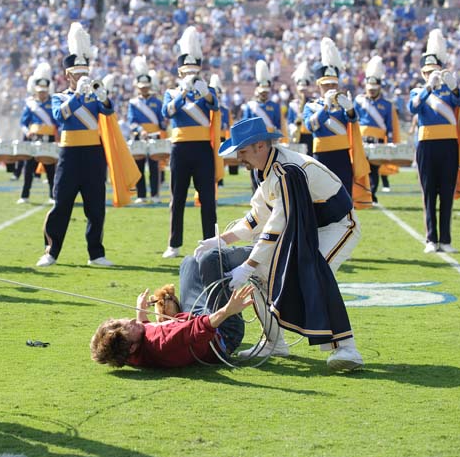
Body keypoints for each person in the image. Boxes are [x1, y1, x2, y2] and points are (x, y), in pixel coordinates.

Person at [197, 116, 364, 370]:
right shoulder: (265, 169)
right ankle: (274, 341)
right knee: (262, 276)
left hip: (337, 226)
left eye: (242, 150)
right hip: (306, 228)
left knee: (317, 272)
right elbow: (256, 217)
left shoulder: (286, 171)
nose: (238, 157)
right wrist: (220, 240)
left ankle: (347, 348)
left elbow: (278, 223)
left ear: (260, 146)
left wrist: (248, 264)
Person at [37, 23, 115, 268]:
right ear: (68, 76)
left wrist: (103, 96)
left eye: (85, 74)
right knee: (62, 203)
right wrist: (78, 96)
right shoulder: (59, 96)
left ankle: (96, 253)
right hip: (69, 154)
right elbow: (60, 117)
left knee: (96, 205)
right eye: (77, 75)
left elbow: (109, 110)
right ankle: (51, 251)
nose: (83, 78)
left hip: (93, 153)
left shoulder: (94, 93)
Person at [90, 270, 254, 369]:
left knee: (189, 264)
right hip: (223, 333)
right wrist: (228, 310)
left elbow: (146, 332)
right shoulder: (164, 342)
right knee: (210, 260)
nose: (132, 321)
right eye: (128, 328)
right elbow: (197, 328)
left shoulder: (129, 355)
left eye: (125, 321)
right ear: (132, 348)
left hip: (194, 318)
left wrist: (141, 312)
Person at [160, 26, 221, 258]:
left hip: (203, 149)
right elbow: (167, 112)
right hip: (180, 149)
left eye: (194, 71)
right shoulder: (171, 92)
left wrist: (205, 93)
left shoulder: (208, 90)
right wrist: (182, 93)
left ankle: (211, 242)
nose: (190, 75)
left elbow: (215, 106)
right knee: (178, 197)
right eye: (187, 72)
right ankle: (174, 244)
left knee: (207, 198)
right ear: (179, 72)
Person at [408, 29, 460, 253]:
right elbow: (412, 108)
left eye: (434, 71)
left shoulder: (449, 91)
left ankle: (446, 239)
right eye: (427, 71)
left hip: (448, 146)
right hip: (426, 146)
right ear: (423, 73)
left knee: (446, 192)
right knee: (429, 193)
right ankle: (431, 239)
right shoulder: (419, 90)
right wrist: (428, 87)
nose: (430, 74)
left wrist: (453, 86)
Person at [303, 38, 371, 207]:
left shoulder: (342, 103)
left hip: (341, 154)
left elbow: (353, 120)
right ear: (319, 86)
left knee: (344, 196)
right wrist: (325, 106)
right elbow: (311, 126)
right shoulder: (311, 106)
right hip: (321, 155)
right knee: (320, 197)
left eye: (333, 84)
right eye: (326, 85)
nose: (330, 87)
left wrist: (349, 108)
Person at [354, 56, 401, 204]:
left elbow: (390, 125)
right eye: (370, 89)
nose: (372, 91)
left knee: (374, 170)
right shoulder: (359, 101)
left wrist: (391, 141)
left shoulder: (387, 105)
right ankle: (359, 194)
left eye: (374, 89)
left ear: (379, 87)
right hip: (361, 140)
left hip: (378, 141)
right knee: (359, 168)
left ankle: (372, 194)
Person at [127, 55, 165, 203]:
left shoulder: (157, 101)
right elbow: (131, 121)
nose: (143, 90)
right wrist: (139, 130)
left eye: (146, 87)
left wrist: (162, 127)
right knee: (139, 167)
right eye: (141, 88)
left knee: (155, 167)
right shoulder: (133, 103)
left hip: (155, 137)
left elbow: (161, 121)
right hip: (139, 136)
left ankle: (155, 195)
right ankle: (141, 195)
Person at [18, 63, 57, 203]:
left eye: (44, 91)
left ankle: (53, 196)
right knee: (29, 169)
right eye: (40, 91)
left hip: (49, 138)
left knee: (51, 168)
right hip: (33, 139)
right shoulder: (30, 104)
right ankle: (24, 196)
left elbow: (57, 122)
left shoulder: (53, 103)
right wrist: (27, 131)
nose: (42, 93)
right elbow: (23, 123)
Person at [242, 59, 288, 142]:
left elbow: (278, 125)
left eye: (266, 92)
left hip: (270, 140)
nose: (264, 94)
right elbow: (245, 125)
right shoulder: (250, 106)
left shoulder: (275, 106)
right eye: (262, 92)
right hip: (254, 140)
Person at [287, 61, 314, 156]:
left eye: (304, 89)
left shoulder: (312, 102)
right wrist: (293, 127)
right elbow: (289, 121)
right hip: (298, 135)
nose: (302, 92)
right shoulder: (292, 104)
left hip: (310, 134)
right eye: (301, 90)